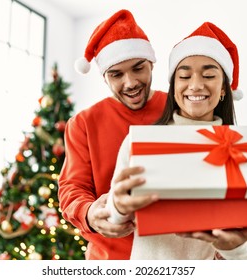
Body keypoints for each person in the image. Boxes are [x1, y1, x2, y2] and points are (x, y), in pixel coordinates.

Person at [106, 22, 247, 259]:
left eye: (209, 75)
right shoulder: (140, 144)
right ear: (174, 86)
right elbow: (113, 221)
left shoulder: (241, 147)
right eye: (184, 76)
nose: (196, 85)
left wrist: (238, 247)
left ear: (223, 89)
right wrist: (117, 207)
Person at [58, 9, 167, 260]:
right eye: (116, 74)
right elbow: (72, 188)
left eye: (138, 68)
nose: (130, 83)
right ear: (104, 78)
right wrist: (88, 213)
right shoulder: (83, 123)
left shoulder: (178, 109)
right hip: (109, 259)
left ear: (151, 64)